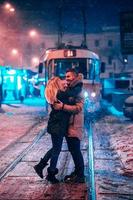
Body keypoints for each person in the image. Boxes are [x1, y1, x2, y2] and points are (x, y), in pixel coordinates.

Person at [34, 69, 84, 183]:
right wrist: (78, 84)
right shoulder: (62, 94)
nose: (65, 80)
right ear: (57, 85)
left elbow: (77, 105)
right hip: (58, 125)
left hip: (58, 125)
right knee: (57, 149)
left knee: (57, 149)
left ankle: (43, 167)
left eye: (68, 77)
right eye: (63, 80)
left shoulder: (59, 94)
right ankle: (49, 172)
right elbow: (71, 96)